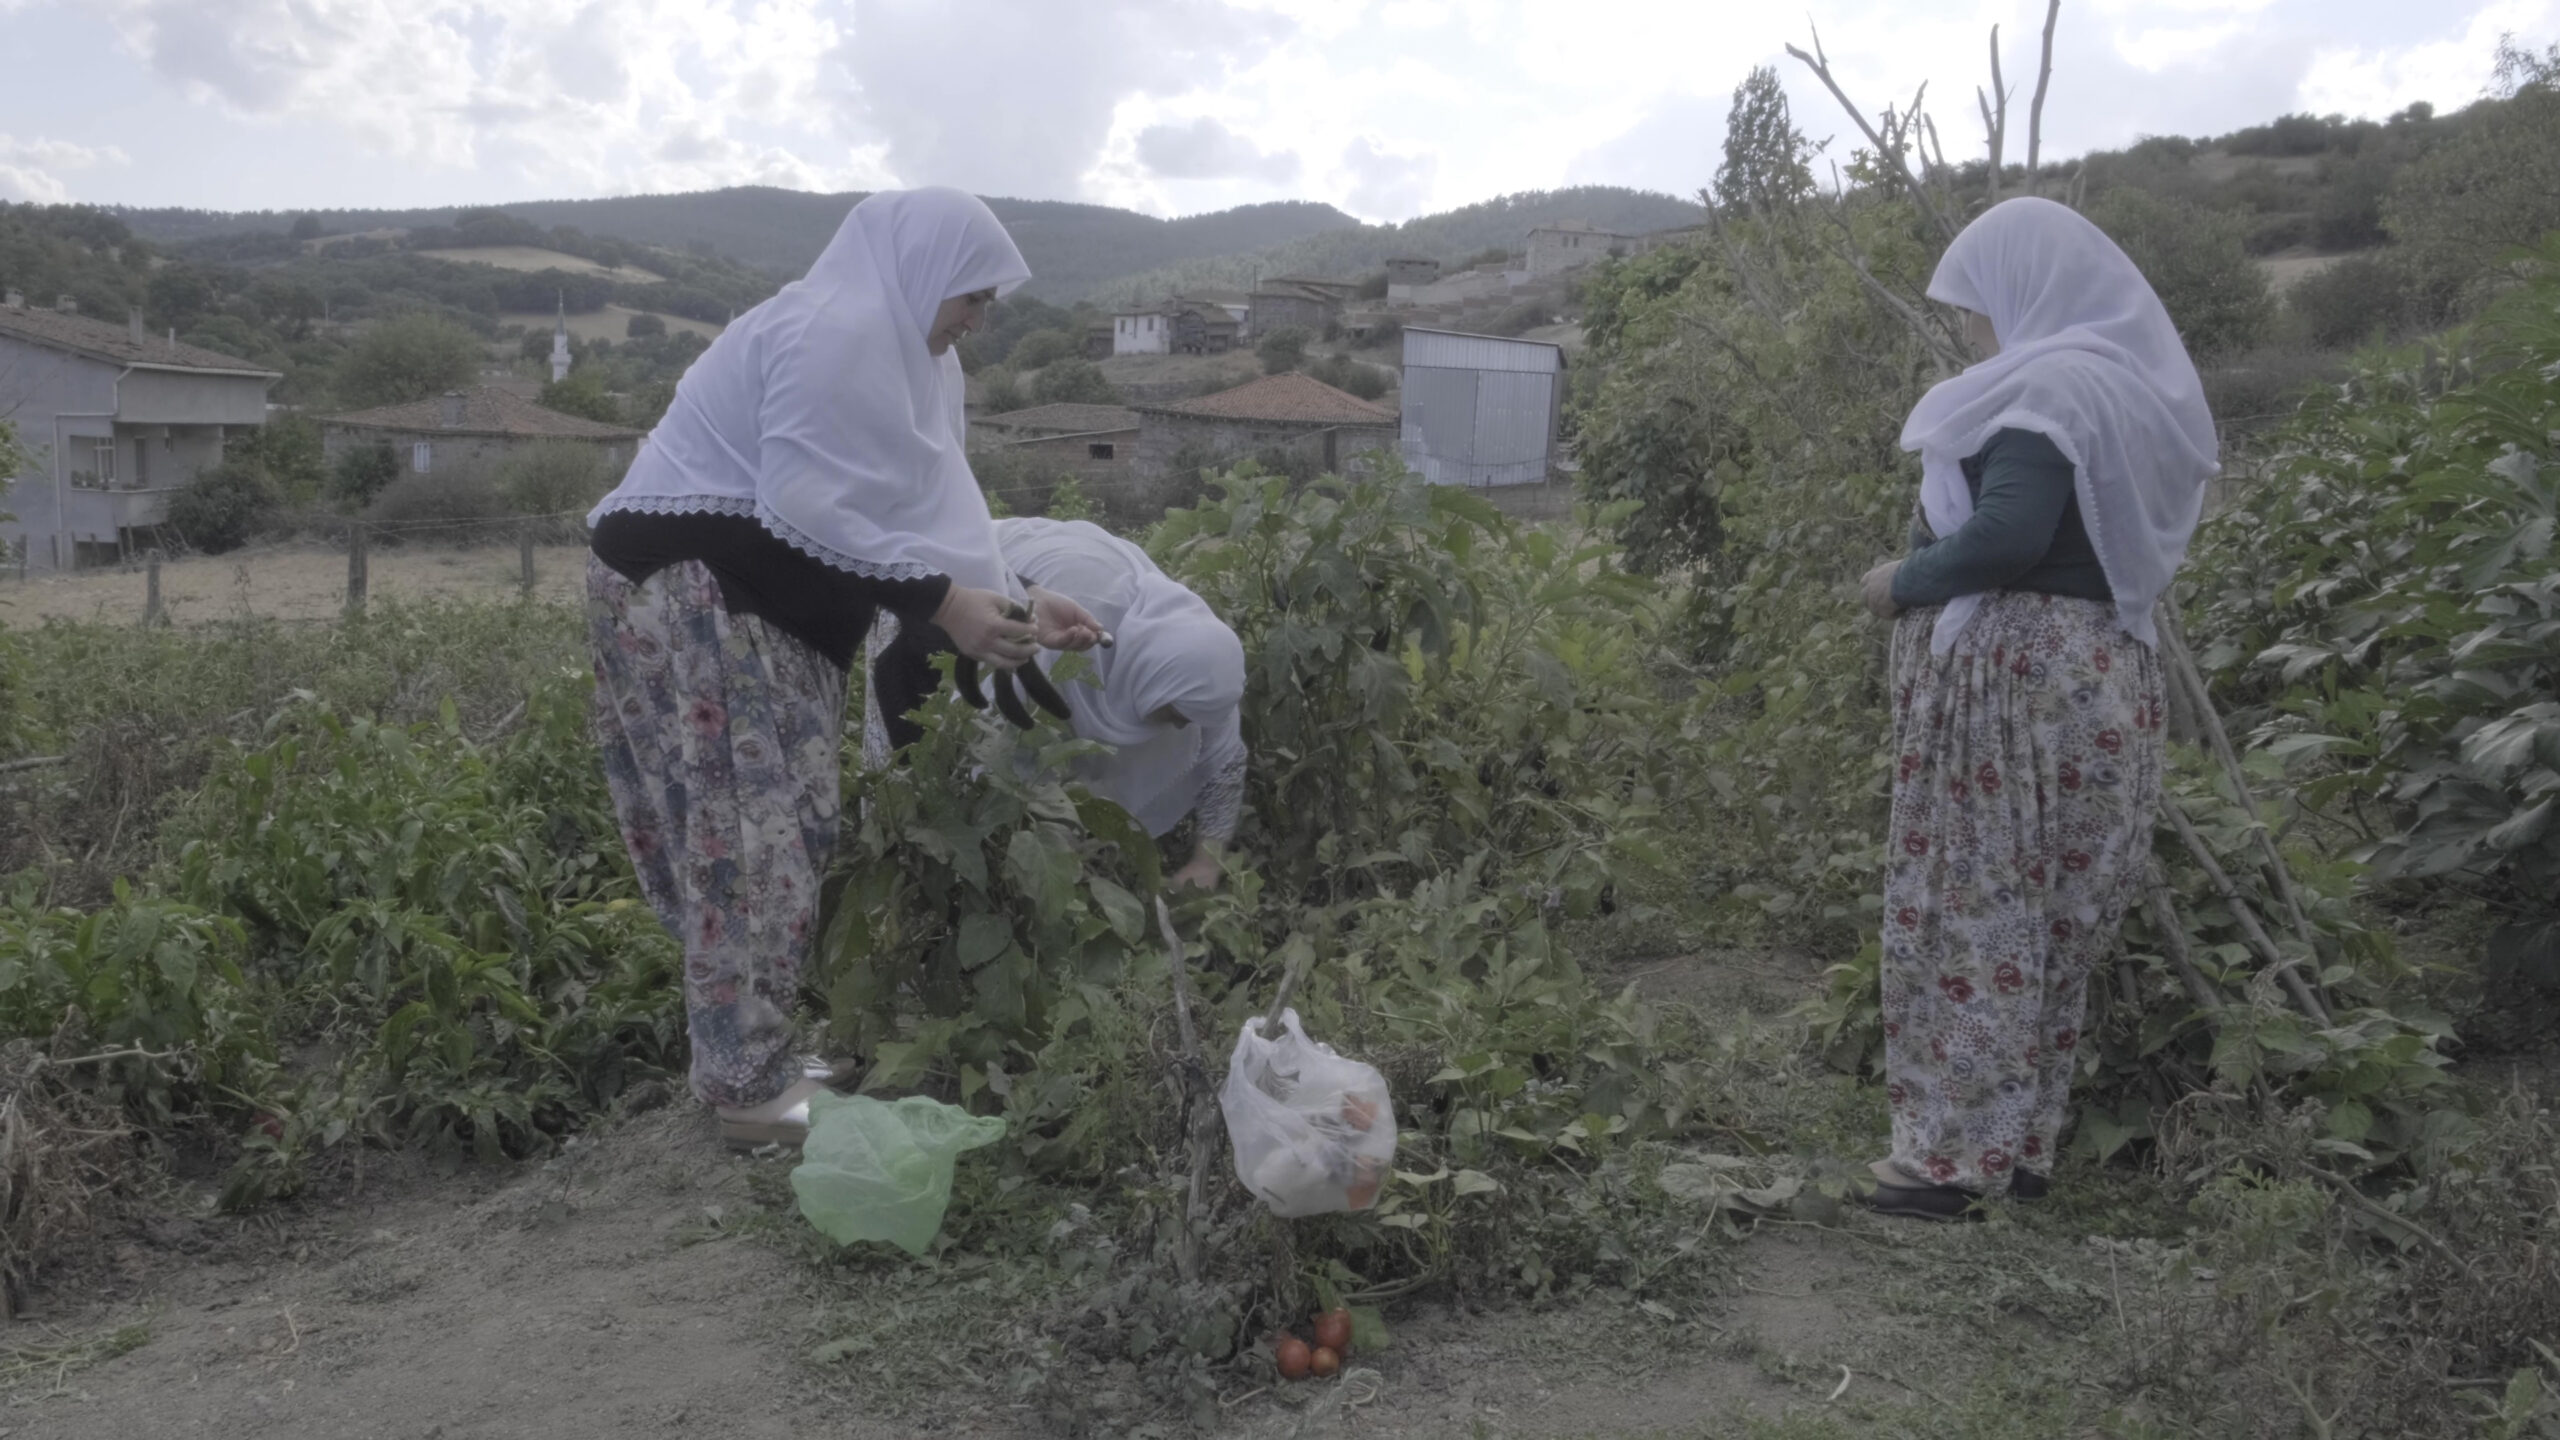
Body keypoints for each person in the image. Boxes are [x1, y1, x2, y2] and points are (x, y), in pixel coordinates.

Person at [581, 188, 1103, 1151]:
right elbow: (806, 505)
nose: (979, 319)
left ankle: (754, 1055)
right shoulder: (838, 331)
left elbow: (927, 511)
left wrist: (1019, 597)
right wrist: (945, 602)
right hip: (701, 596)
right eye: (974, 295)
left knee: (783, 827)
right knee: (752, 836)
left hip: (754, 606)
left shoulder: (908, 358)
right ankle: (745, 1088)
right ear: (923, 272)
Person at [1855, 196, 2218, 1220]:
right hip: (2101, 673)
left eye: (1975, 302)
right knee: (2051, 921)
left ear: (2024, 290)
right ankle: (2017, 1150)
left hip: (2013, 690)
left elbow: (2008, 536)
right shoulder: (2122, 389)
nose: (1971, 325)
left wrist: (1902, 581)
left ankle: (1950, 1166)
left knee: (1976, 912)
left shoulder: (2046, 389)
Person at [866, 515, 1249, 892]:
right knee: (916, 778)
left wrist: (1206, 863)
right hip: (939, 590)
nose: (1181, 726)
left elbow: (1226, 763)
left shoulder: (1201, 665)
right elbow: (992, 748)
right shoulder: (1068, 639)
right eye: (1177, 714)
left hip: (1035, 593)